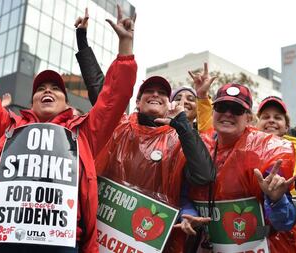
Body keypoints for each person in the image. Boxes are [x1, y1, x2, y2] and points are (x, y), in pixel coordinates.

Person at [0, 1, 137, 253]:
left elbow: (114, 97)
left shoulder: (83, 133)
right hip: (2, 239)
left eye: (55, 89)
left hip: (61, 241)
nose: (47, 90)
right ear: (32, 103)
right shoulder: (7, 130)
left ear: (66, 104)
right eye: (40, 89)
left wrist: (125, 47)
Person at [74, 10, 214, 252]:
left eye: (162, 92)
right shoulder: (118, 126)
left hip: (150, 241)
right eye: (149, 91)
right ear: (137, 102)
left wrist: (181, 123)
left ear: (169, 104)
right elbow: (100, 86)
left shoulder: (180, 138)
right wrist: (82, 40)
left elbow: (204, 176)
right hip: (99, 237)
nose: (156, 95)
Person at [188, 83, 296, 252]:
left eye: (237, 109)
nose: (228, 114)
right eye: (222, 107)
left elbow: (284, 222)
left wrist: (276, 200)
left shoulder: (267, 151)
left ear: (249, 118)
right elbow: (183, 194)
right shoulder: (199, 146)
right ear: (213, 112)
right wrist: (189, 214)